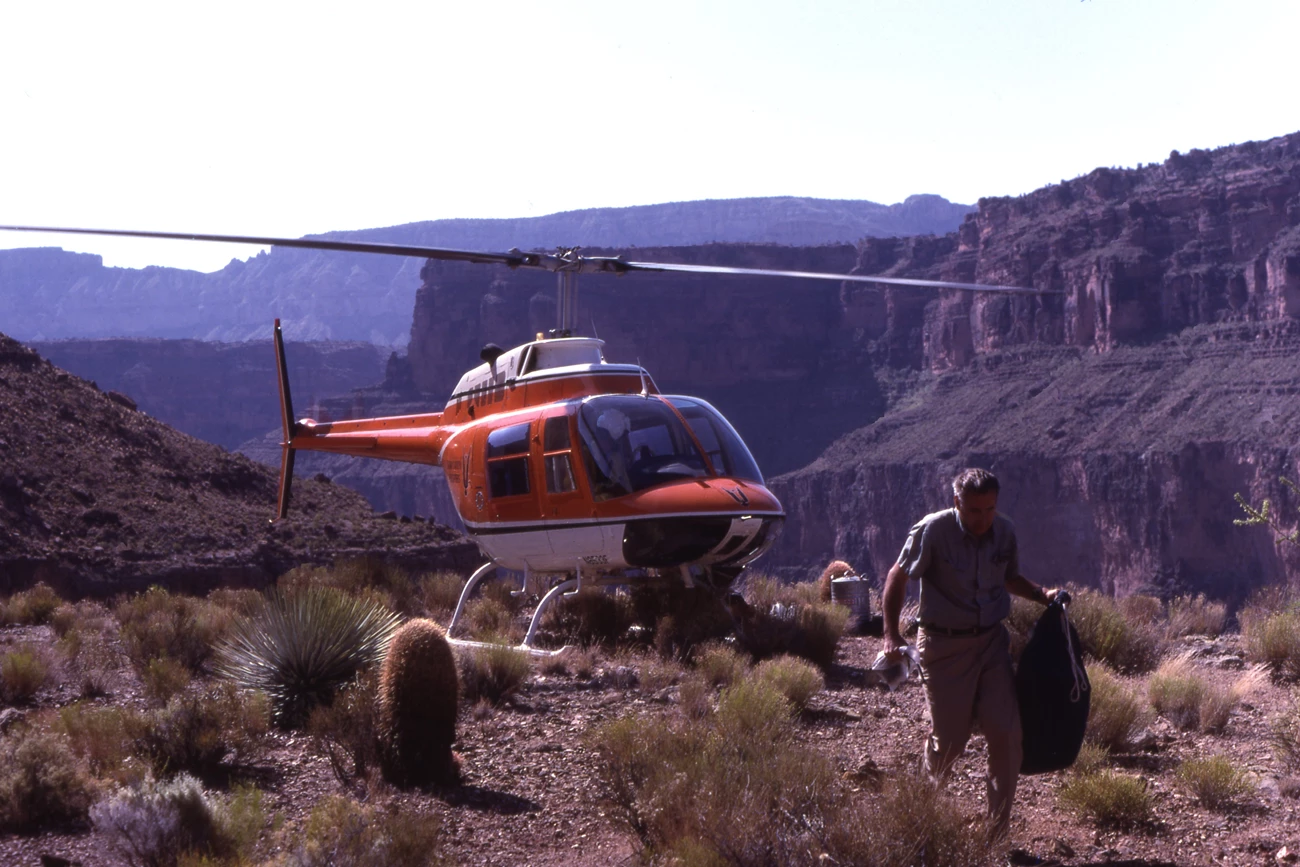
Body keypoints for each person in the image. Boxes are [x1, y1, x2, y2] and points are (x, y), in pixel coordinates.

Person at [880, 467, 1056, 840]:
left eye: (989, 509)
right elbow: (899, 575)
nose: (983, 519)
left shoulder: (1004, 531)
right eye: (974, 510)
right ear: (956, 503)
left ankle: (996, 835)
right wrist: (890, 634)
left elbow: (1010, 578)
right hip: (944, 647)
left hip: (991, 642)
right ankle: (924, 803)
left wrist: (1043, 596)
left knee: (1006, 733)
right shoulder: (933, 530)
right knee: (951, 741)